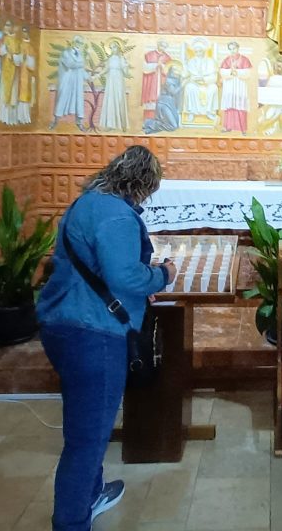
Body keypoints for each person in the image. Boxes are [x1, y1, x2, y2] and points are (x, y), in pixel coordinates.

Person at [37, 146, 177, 531]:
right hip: (93, 332)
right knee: (87, 437)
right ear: (143, 183)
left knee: (86, 424)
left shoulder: (86, 203)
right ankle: (71, 522)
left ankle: (92, 493)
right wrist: (162, 275)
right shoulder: (117, 214)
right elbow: (125, 277)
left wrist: (134, 282)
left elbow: (95, 267)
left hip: (64, 322)